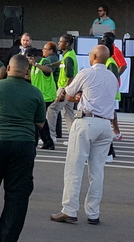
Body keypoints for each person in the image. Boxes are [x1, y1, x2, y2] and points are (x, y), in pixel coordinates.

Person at [0, 54, 46, 242]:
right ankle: (8, 237)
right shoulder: (35, 92)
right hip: (23, 146)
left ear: (8, 67)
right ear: (27, 71)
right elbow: (39, 123)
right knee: (17, 197)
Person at [50, 44, 120, 225]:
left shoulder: (86, 73)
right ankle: (93, 213)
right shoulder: (113, 77)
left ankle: (70, 209)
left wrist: (75, 96)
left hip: (86, 121)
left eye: (91, 54)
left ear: (95, 56)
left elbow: (68, 92)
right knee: (97, 170)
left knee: (75, 166)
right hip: (105, 124)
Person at [47, 34, 79, 140]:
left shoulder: (68, 57)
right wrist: (51, 65)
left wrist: (63, 92)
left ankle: (51, 135)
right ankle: (74, 137)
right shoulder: (69, 54)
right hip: (71, 88)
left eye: (61, 42)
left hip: (65, 87)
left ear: (67, 44)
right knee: (68, 112)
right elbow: (62, 63)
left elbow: (70, 76)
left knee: (52, 109)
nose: (58, 43)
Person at [28, 45, 58, 150]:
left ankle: (43, 141)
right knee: (39, 119)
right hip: (39, 96)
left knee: (38, 119)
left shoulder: (43, 62)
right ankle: (46, 141)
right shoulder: (33, 67)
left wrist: (36, 64)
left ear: (33, 57)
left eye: (29, 58)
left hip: (46, 95)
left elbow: (49, 70)